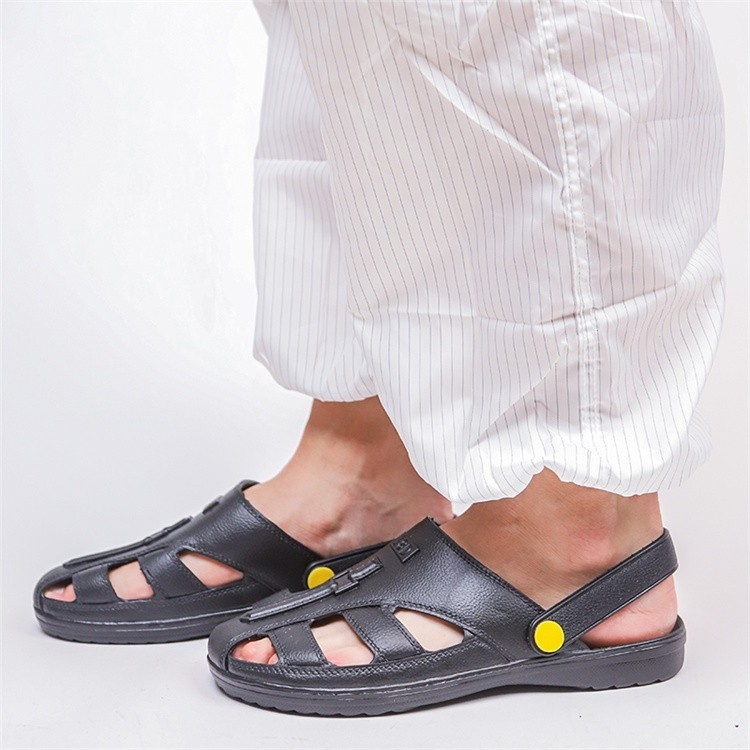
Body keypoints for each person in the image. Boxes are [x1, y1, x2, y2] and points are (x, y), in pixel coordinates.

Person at [35, 0, 724, 715]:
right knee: (354, 31)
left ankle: (579, 526)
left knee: (518, 23)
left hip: (580, 542)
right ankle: (368, 459)